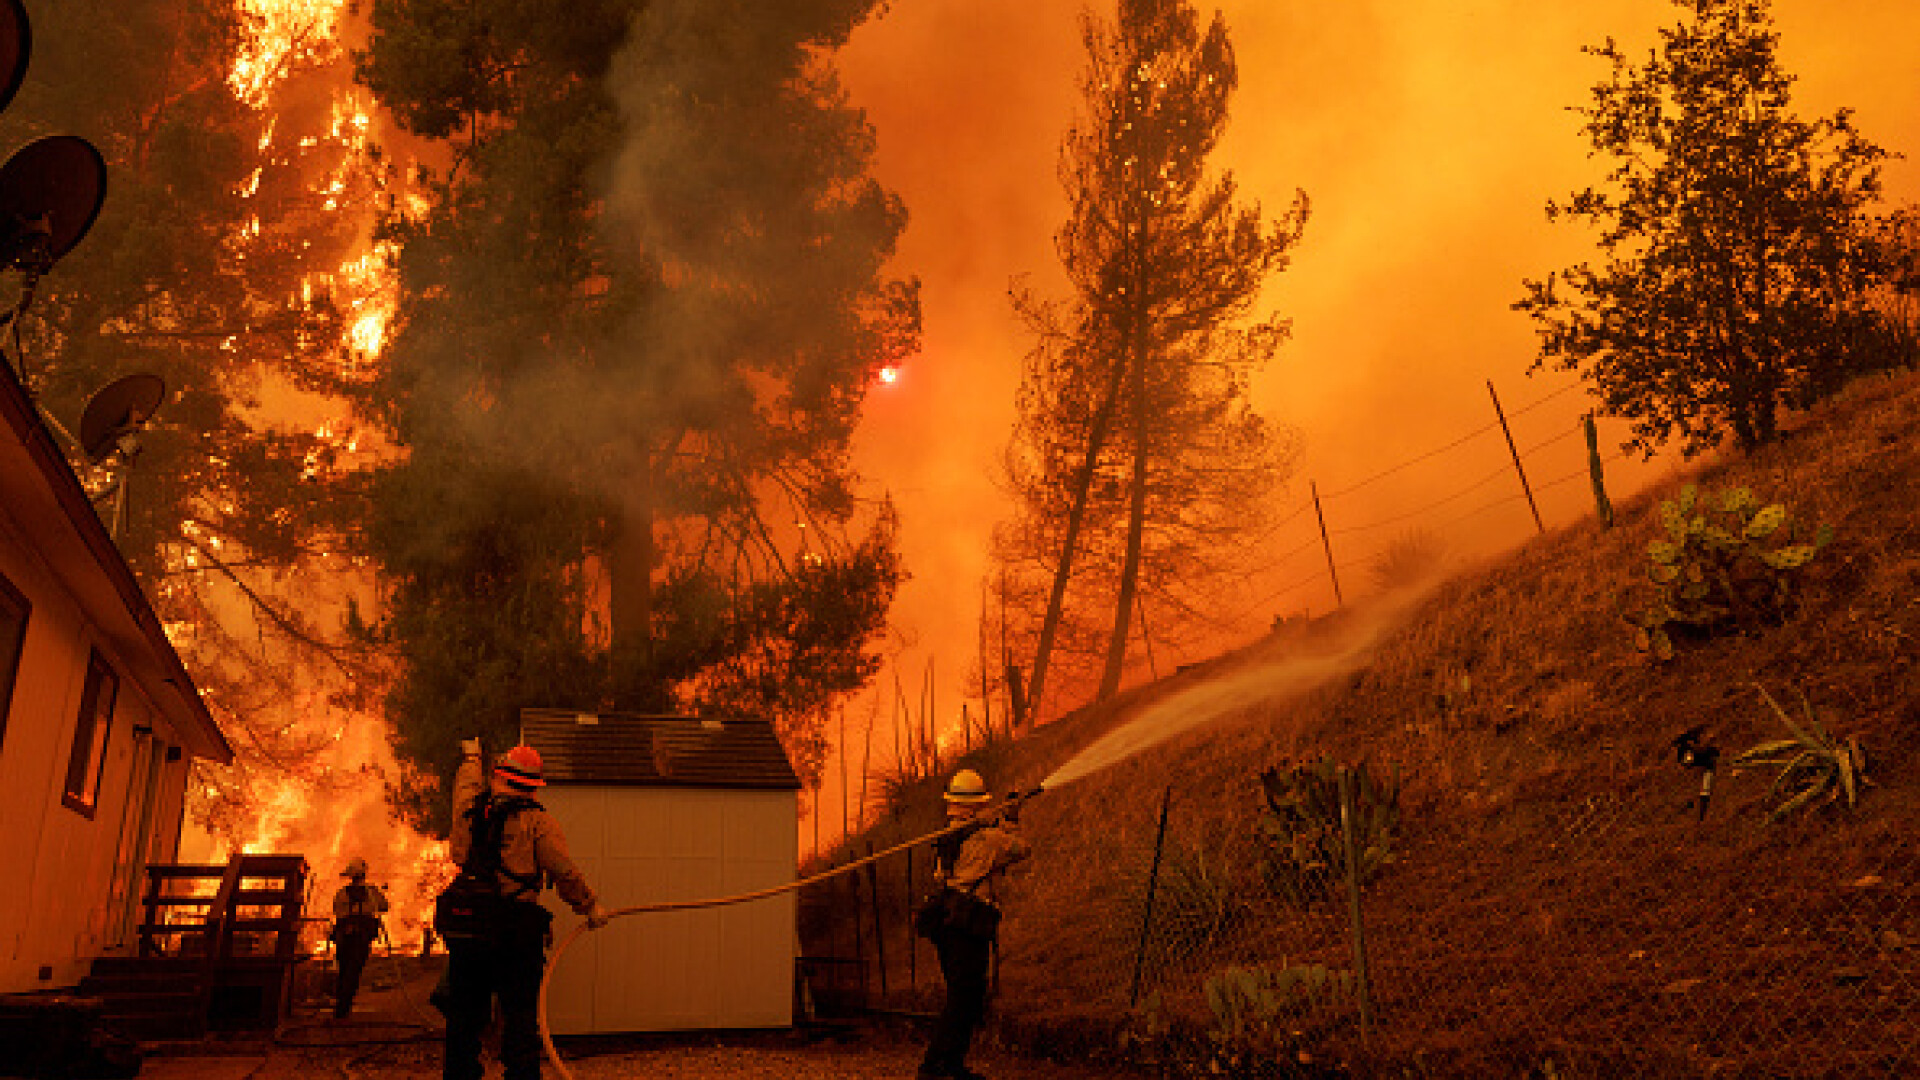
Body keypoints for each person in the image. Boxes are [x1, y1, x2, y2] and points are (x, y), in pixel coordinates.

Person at [442, 738, 610, 1080]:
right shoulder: (538, 823)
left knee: (463, 1019)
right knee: (519, 1019)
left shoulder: (469, 811)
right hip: (515, 933)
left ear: (498, 777)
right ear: (534, 786)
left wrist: (471, 758)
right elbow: (563, 871)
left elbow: (465, 787)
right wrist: (590, 906)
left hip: (467, 928)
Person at [919, 768, 1031, 1080]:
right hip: (968, 927)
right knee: (964, 998)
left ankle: (950, 1065)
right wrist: (1011, 819)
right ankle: (934, 1066)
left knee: (962, 996)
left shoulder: (947, 839)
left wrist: (998, 821)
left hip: (946, 923)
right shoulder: (988, 839)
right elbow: (1021, 849)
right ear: (978, 805)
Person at [330, 856, 389, 1020]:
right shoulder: (372, 892)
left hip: (344, 937)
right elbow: (384, 906)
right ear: (363, 874)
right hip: (361, 938)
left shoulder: (342, 893)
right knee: (354, 971)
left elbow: (337, 911)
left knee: (344, 970)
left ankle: (341, 1006)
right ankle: (344, 1006)